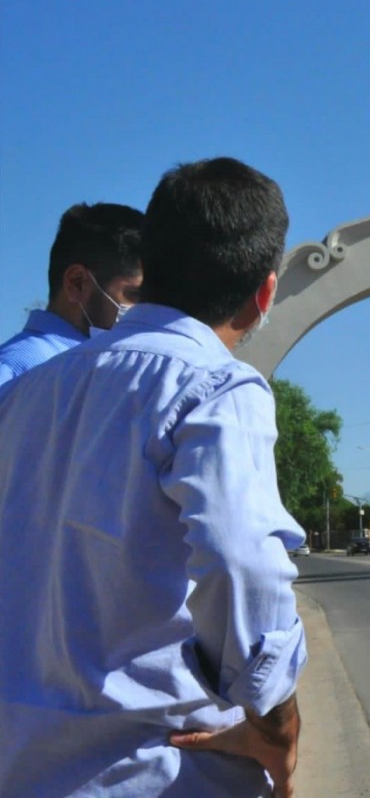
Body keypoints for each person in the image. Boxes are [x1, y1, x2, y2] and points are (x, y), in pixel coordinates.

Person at [0, 157, 307, 797]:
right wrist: (277, 718)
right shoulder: (217, 387)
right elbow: (239, 568)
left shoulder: (28, 391)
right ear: (265, 293)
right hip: (157, 772)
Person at [0, 202, 144, 385]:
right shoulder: (14, 372)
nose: (147, 311)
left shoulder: (110, 365)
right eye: (134, 295)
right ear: (77, 283)